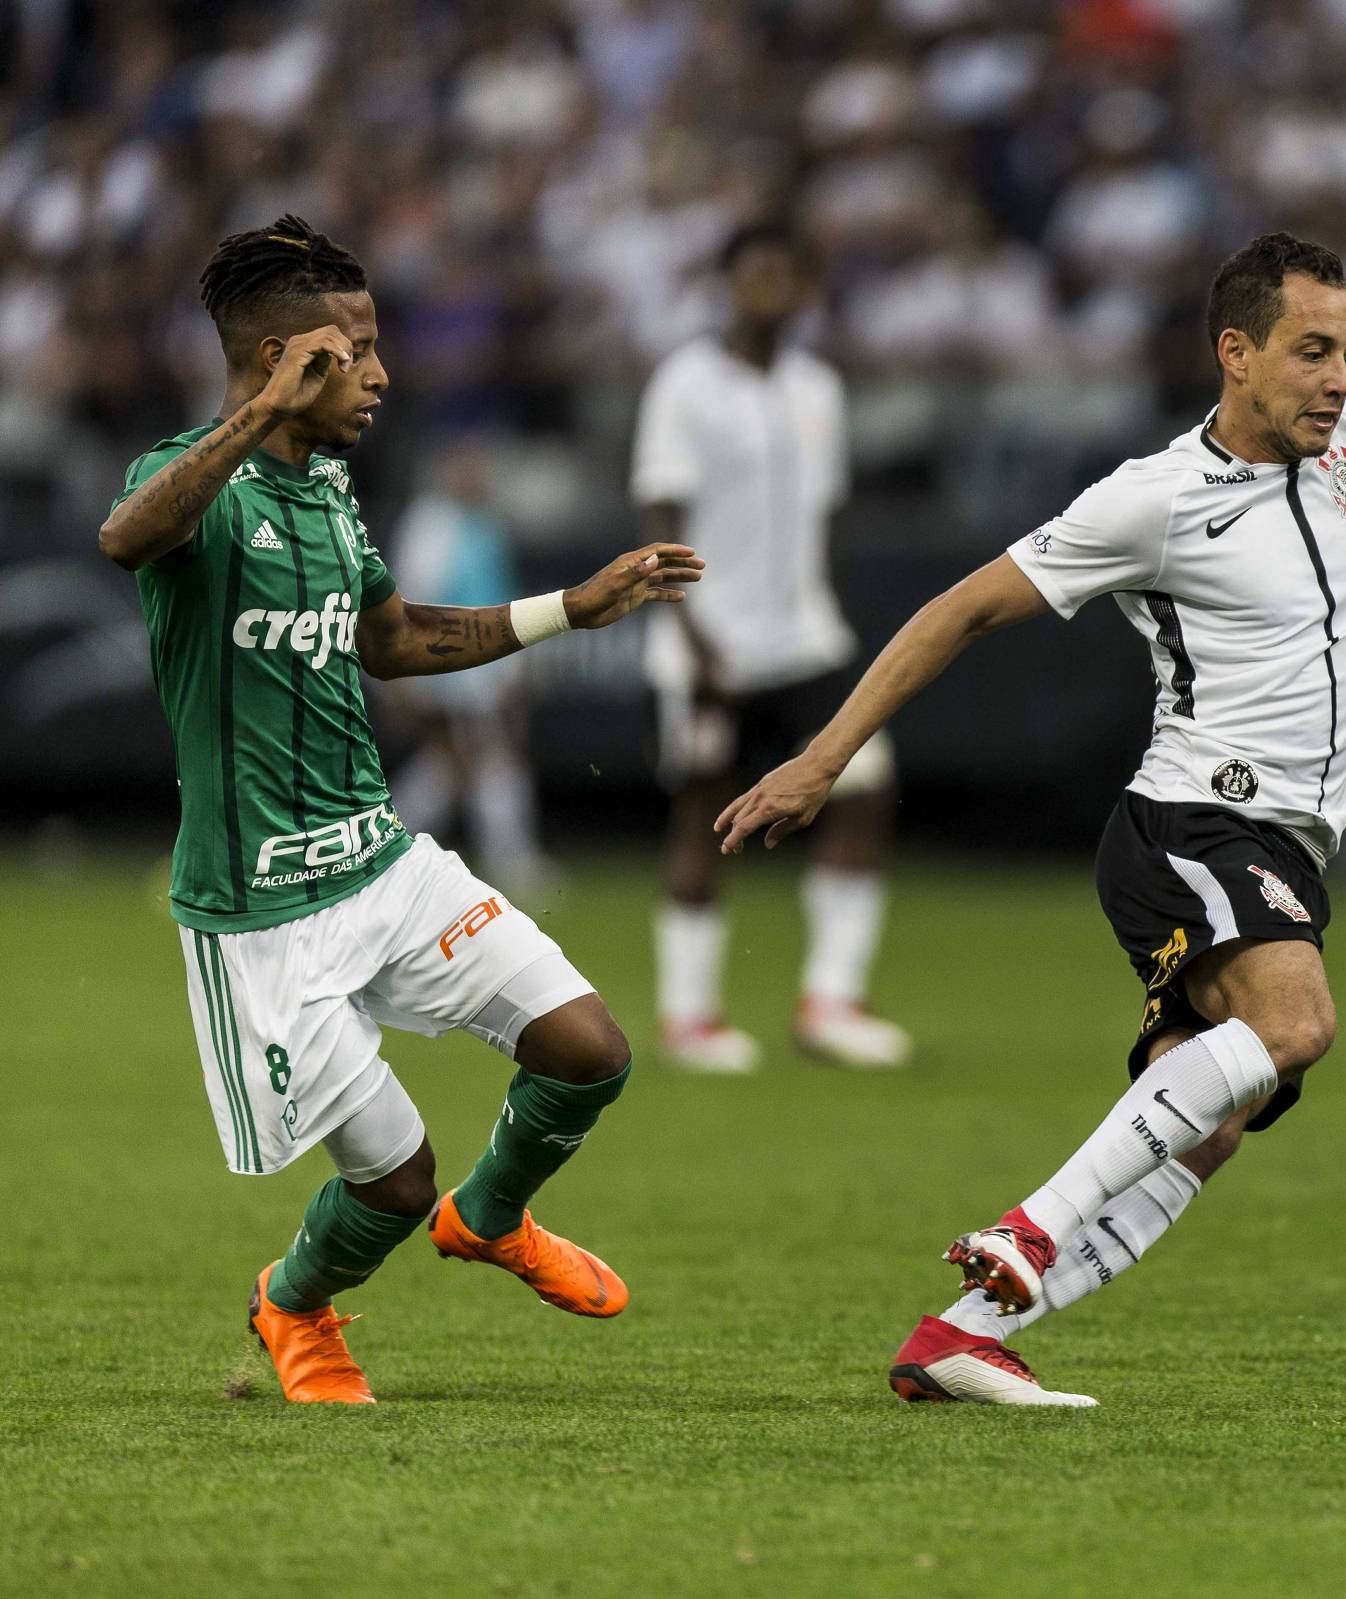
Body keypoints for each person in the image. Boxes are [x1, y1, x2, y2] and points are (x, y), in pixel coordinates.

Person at [718, 125, 1346, 1405]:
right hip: (1190, 822)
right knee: (1296, 1024)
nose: (1341, 378)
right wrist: (823, 757)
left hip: (1286, 846)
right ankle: (1027, 1230)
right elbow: (958, 609)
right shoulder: (1152, 500)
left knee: (1214, 1118)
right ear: (1236, 352)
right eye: (1311, 351)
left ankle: (961, 1338)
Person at [97, 215, 704, 1404]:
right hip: (261, 917)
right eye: (353, 352)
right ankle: (295, 1305)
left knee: (590, 1055)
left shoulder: (328, 492)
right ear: (278, 359)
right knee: (391, 1181)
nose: (379, 375)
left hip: (382, 868)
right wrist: (262, 414)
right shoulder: (197, 483)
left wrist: (568, 611)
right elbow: (127, 536)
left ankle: (493, 1218)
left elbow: (396, 638)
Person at [632, 220, 909, 1074]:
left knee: (863, 792)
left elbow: (819, 515)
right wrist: (688, 629)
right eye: (754, 276)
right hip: (709, 646)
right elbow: (660, 514)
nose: (770, 293)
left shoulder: (817, 387)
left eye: (786, 277)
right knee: (704, 812)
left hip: (805, 640)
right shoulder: (685, 383)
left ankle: (829, 999)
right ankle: (689, 1016)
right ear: (724, 282)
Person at [387, 433, 552, 893]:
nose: (477, 474)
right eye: (466, 464)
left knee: (465, 762)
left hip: (485, 668)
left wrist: (514, 667)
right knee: (475, 757)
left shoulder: (487, 524)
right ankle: (508, 856)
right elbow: (411, 600)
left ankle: (390, 845)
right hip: (448, 667)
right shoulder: (431, 524)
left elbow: (502, 597)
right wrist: (410, 678)